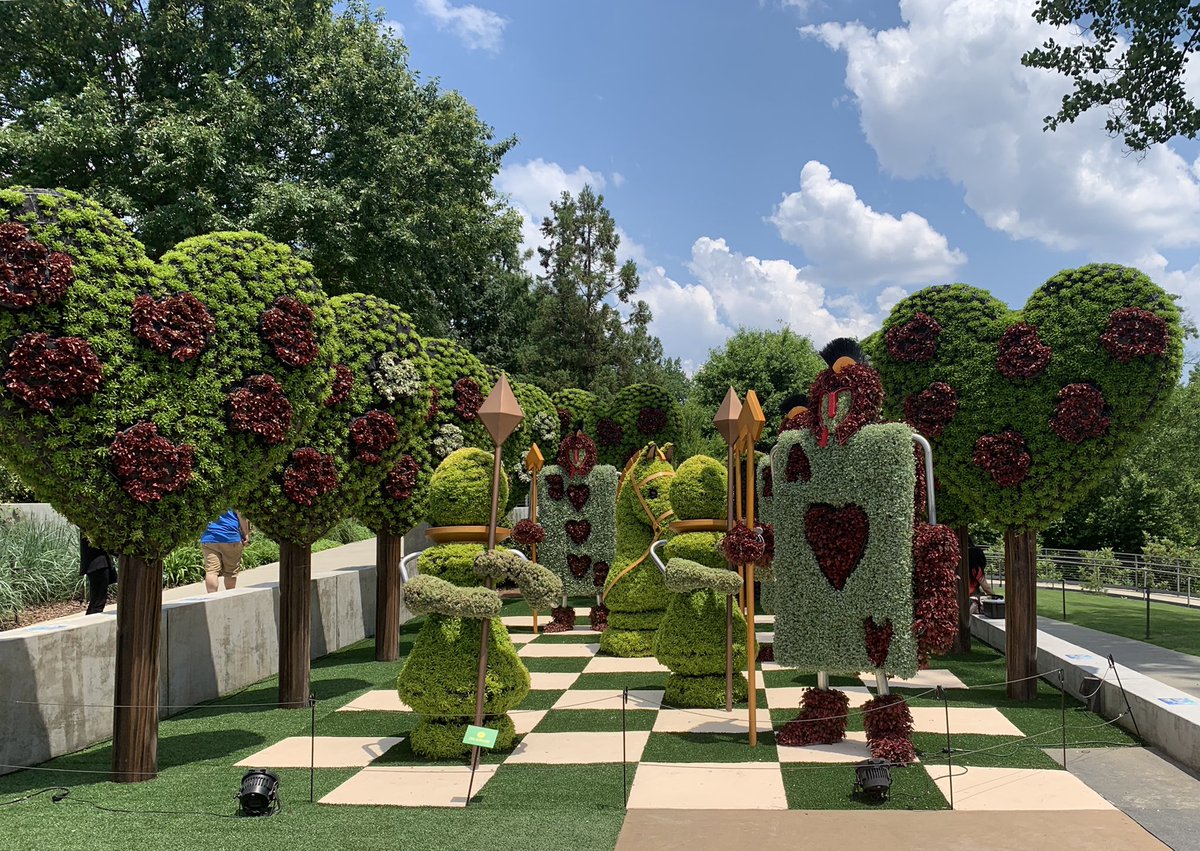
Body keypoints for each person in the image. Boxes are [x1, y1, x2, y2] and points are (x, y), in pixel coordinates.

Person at [201, 509, 249, 593]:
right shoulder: (234, 500)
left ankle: (212, 598)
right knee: (230, 573)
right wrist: (246, 533)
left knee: (211, 571)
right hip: (230, 536)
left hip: (209, 537)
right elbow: (240, 514)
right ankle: (229, 596)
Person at [79, 532, 116, 614]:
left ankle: (90, 618)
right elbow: (102, 541)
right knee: (97, 603)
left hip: (98, 563)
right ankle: (91, 620)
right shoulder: (90, 527)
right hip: (98, 564)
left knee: (97, 601)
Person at [968, 544, 994, 614]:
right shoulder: (976, 570)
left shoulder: (964, 568)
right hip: (970, 600)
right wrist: (995, 597)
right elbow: (986, 588)